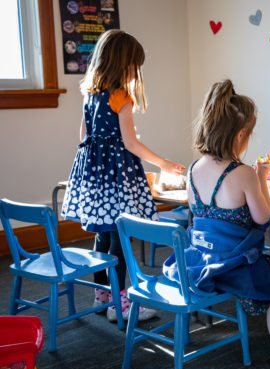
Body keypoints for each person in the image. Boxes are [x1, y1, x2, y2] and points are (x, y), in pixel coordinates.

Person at [164, 79, 270, 369]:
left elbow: (199, 215)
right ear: (241, 134)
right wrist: (262, 178)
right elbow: (263, 216)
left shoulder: (192, 170)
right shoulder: (241, 173)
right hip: (235, 265)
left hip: (199, 261)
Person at [61, 29, 184, 322]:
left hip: (95, 176)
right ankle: (121, 305)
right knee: (120, 238)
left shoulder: (90, 94)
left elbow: (83, 136)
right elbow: (130, 144)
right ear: (121, 64)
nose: (135, 72)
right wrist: (164, 163)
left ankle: (103, 298)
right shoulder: (120, 97)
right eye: (133, 67)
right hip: (118, 178)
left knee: (103, 236)